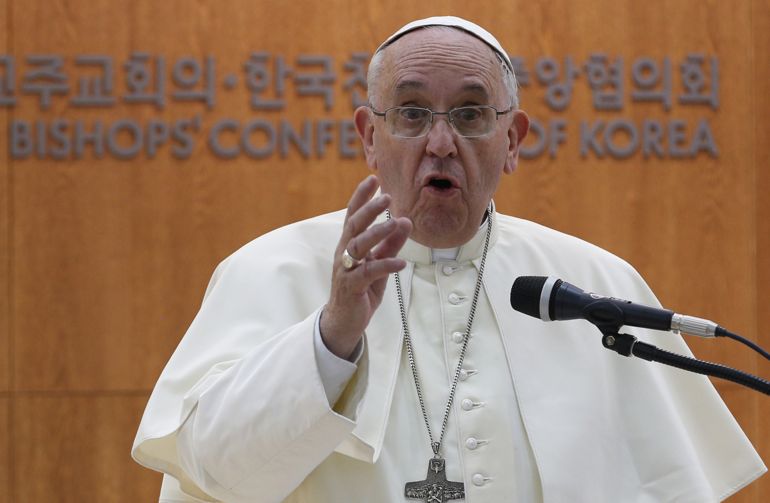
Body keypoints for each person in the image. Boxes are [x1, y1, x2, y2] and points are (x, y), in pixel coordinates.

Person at [133, 16, 765, 503]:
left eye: (469, 114)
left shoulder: (597, 282)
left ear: (512, 141)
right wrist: (331, 338)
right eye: (411, 113)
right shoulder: (268, 271)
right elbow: (213, 471)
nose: (440, 143)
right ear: (369, 138)